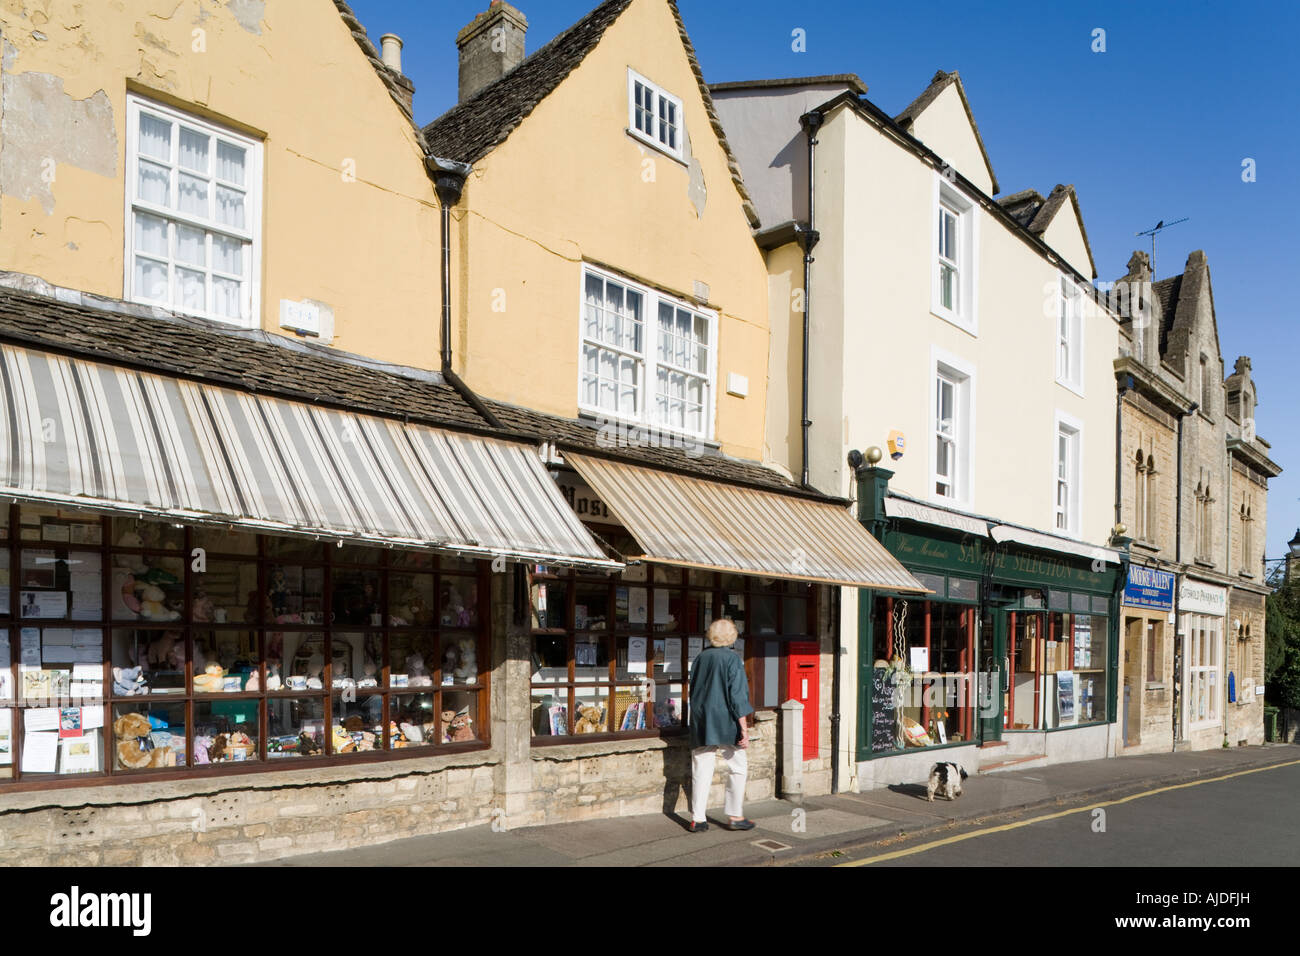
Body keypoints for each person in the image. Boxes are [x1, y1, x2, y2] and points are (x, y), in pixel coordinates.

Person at [686, 618, 754, 832]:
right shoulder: (733, 660)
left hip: (702, 719)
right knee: (738, 768)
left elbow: (693, 690)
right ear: (732, 636)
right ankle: (734, 815)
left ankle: (698, 819)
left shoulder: (700, 658)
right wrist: (744, 727)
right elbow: (737, 696)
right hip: (726, 721)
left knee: (701, 769)